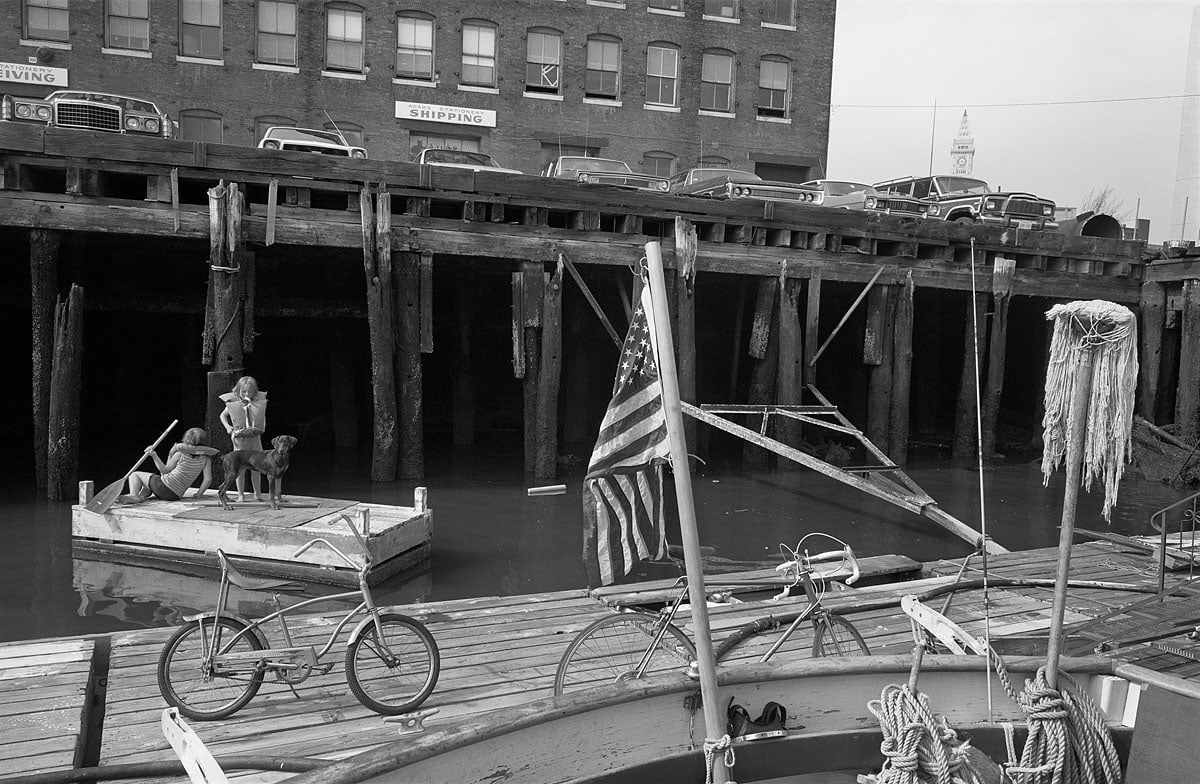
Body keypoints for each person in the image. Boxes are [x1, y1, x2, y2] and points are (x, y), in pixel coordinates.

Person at [123, 427, 217, 502]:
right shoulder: (206, 459)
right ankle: (141, 497)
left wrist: (154, 455)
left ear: (186, 441)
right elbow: (208, 480)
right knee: (148, 484)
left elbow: (164, 470)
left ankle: (134, 495)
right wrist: (199, 494)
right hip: (175, 495)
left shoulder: (180, 454)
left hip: (163, 486)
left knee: (135, 474)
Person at [219, 375, 268, 502]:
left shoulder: (257, 402)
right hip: (240, 440)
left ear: (255, 391)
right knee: (238, 468)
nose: (247, 394)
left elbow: (261, 419)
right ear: (238, 390)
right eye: (244, 391)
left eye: (250, 391)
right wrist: (228, 427)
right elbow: (222, 416)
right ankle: (241, 494)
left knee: (257, 466)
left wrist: (260, 427)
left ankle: (258, 493)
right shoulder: (234, 402)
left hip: (254, 439)